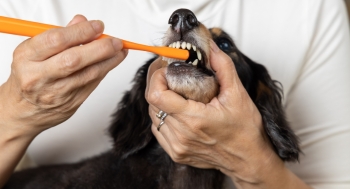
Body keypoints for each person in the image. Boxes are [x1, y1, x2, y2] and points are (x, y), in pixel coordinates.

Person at [0, 0, 349, 188]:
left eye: (223, 45)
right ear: (147, 93)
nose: (182, 20)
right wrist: (16, 110)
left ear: (256, 93)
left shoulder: (310, 7)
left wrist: (252, 161)